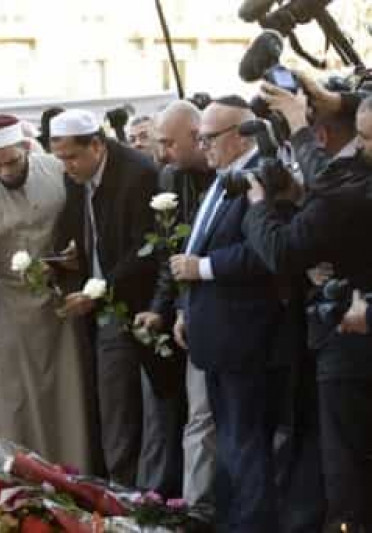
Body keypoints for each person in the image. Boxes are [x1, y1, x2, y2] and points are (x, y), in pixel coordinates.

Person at [242, 83, 372, 529]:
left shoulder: (347, 185)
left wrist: (259, 205)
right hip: (340, 343)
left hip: (352, 352)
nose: (360, 148)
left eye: (368, 138)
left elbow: (285, 248)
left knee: (347, 477)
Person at [170, 97, 284, 530]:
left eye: (209, 138)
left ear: (240, 136)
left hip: (246, 336)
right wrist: (186, 307)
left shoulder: (264, 176)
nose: (202, 146)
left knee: (246, 444)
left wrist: (202, 269)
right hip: (215, 332)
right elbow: (199, 240)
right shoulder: (222, 178)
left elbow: (264, 252)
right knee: (231, 444)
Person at [0, 114, 91, 472]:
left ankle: (72, 474)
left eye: (12, 162)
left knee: (65, 392)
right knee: (11, 399)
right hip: (7, 303)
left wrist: (75, 255)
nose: (4, 172)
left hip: (57, 296)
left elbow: (83, 222)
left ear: (26, 148)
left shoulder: (55, 170)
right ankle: (15, 480)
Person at [49, 110, 160, 486]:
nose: (67, 167)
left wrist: (99, 291)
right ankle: (118, 486)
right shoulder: (76, 177)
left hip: (136, 304)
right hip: (99, 304)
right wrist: (65, 257)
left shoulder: (138, 174)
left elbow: (144, 249)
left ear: (96, 145)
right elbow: (76, 230)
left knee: (140, 410)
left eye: (72, 157)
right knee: (113, 406)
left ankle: (136, 492)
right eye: (60, 159)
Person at [134, 100, 216, 505]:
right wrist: (160, 307)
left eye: (169, 143)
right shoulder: (170, 176)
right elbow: (170, 253)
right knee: (195, 417)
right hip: (186, 313)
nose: (162, 153)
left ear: (196, 136)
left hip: (228, 311)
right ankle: (191, 505)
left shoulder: (227, 174)